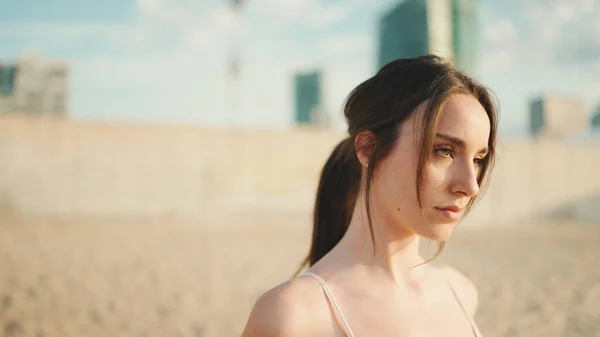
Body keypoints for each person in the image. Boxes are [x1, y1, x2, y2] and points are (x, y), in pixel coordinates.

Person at [241, 55, 497, 337]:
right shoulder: (292, 317)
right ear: (368, 149)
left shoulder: (460, 293)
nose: (470, 186)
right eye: (444, 151)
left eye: (477, 159)